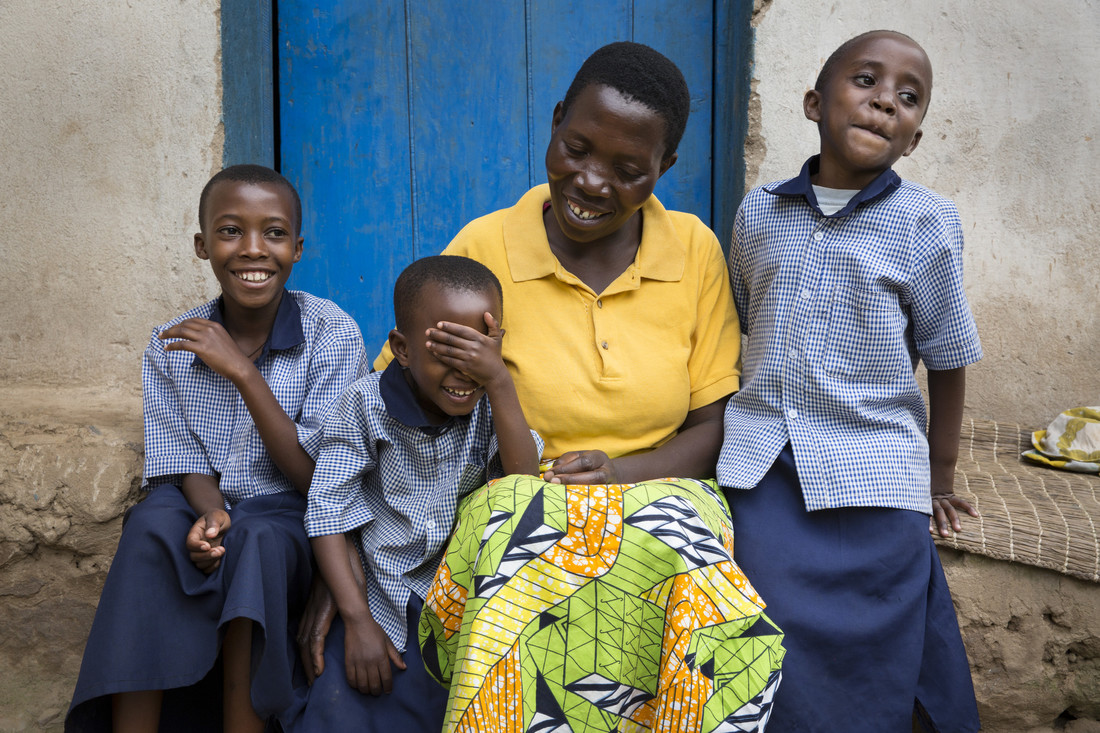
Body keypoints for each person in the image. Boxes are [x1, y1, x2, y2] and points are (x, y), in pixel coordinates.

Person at [364, 42, 784, 732]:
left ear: (663, 169)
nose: (591, 182)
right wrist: (352, 562)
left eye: (628, 170)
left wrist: (620, 474)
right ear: (556, 122)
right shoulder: (486, 246)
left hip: (664, 496)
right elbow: (399, 403)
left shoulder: (695, 251)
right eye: (578, 148)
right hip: (515, 492)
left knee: (704, 591)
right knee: (519, 546)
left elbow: (712, 426)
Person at [717, 30, 982, 732]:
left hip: (877, 464)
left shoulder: (928, 223)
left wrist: (940, 473)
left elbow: (949, 354)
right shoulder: (759, 213)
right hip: (761, 465)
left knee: (890, 604)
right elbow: (745, 319)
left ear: (915, 138)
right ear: (813, 102)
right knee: (758, 609)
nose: (883, 103)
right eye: (865, 81)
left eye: (907, 97)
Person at [66, 165, 368, 732]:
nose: (253, 249)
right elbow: (180, 465)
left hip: (293, 519)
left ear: (297, 249)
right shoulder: (173, 341)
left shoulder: (332, 332)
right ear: (203, 245)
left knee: (256, 537)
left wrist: (244, 375)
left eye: (273, 233)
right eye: (231, 231)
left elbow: (321, 482)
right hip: (213, 503)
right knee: (153, 523)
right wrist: (211, 514)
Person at [290, 255, 542, 731]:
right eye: (448, 352)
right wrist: (357, 620)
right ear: (402, 350)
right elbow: (326, 511)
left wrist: (501, 378)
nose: (465, 372)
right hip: (382, 599)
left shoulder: (492, 404)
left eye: (479, 351)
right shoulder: (364, 405)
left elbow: (523, 482)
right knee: (345, 707)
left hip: (463, 604)